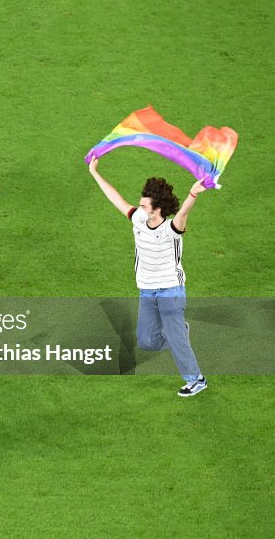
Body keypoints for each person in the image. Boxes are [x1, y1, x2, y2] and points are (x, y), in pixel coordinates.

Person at [89, 159, 208, 397]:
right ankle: (179, 333)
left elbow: (183, 212)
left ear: (158, 210)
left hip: (170, 290)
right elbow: (116, 199)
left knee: (174, 336)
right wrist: (94, 172)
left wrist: (193, 194)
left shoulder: (171, 230)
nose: (139, 208)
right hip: (147, 290)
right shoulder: (137, 219)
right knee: (147, 341)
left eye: (144, 206)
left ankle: (196, 379)